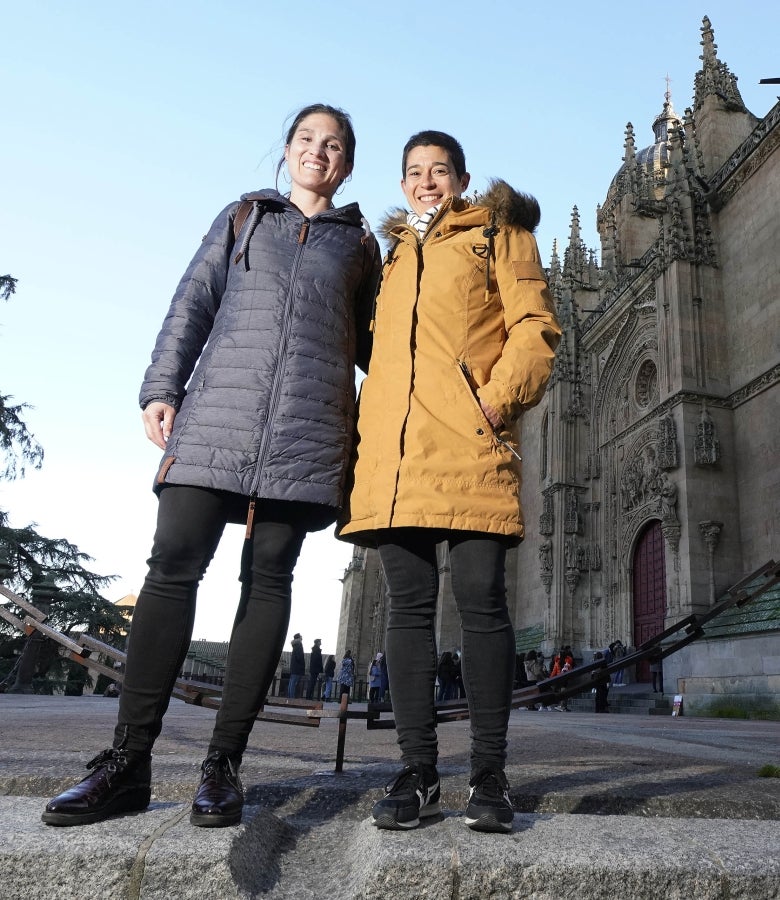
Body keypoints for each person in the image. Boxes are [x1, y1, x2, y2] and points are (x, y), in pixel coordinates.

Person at [42, 103, 381, 830]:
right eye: (307, 141)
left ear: (348, 164)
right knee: (172, 569)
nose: (319, 153)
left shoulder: (359, 246)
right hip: (217, 417)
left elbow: (381, 351)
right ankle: (126, 764)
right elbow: (192, 301)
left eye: (334, 146)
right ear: (287, 152)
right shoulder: (242, 218)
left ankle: (222, 767)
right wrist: (162, 386)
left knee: (268, 583)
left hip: (305, 432)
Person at [338, 130, 561, 833]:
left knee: (480, 603)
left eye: (439, 170)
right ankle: (419, 772)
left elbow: (535, 327)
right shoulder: (394, 254)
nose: (426, 181)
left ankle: (489, 777)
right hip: (397, 456)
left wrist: (496, 402)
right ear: (402, 183)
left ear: (461, 178)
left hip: (468, 441)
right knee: (407, 611)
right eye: (414, 171)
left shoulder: (498, 229)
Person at [288, 633, 305, 698]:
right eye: (301, 636)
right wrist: (302, 664)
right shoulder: (299, 645)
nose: (302, 637)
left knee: (291, 683)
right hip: (297, 668)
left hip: (294, 667)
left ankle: (290, 697)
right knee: (293, 683)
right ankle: (291, 698)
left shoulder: (295, 645)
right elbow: (299, 657)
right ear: (298, 638)